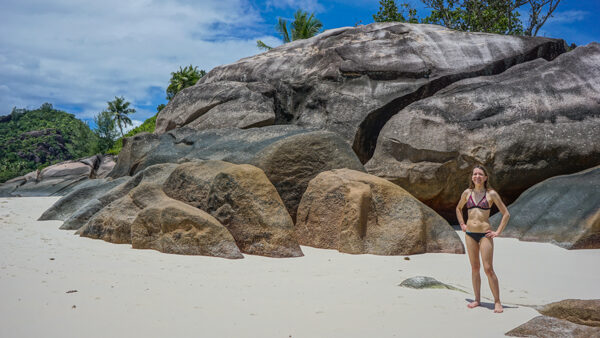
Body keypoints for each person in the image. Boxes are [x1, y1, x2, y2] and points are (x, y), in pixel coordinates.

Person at [456, 165, 510, 313]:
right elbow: (458, 208)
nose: (477, 176)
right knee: (474, 268)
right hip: (470, 235)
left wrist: (497, 232)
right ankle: (477, 299)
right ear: (472, 177)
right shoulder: (467, 193)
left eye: (480, 174)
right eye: (475, 174)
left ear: (485, 178)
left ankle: (497, 301)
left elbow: (506, 214)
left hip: (484, 235)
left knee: (488, 269)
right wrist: (462, 223)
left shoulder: (491, 194)